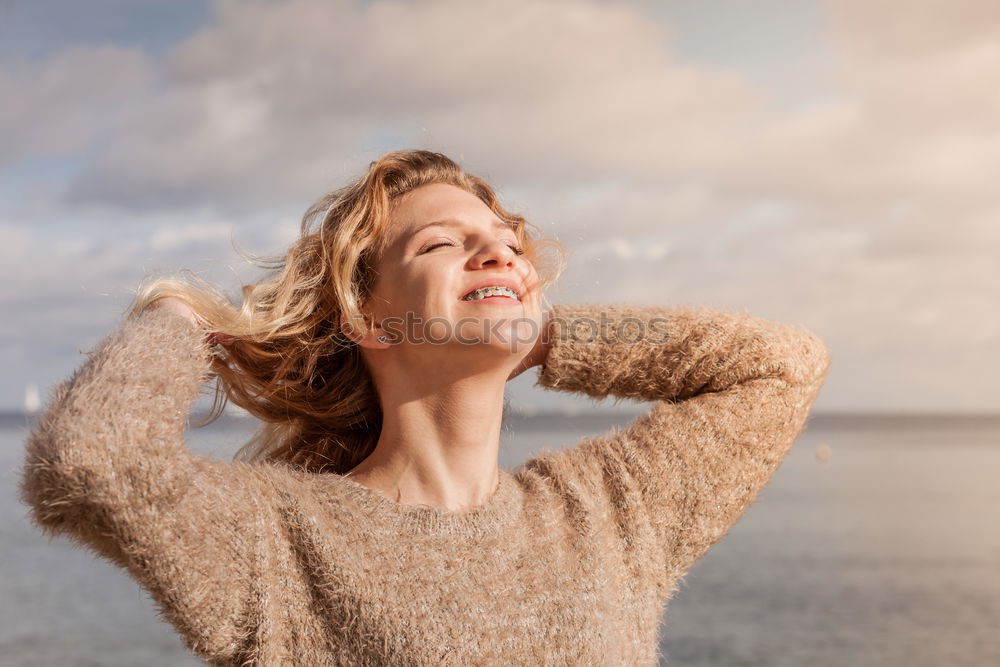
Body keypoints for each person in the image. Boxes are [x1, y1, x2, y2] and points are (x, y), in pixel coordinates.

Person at [19, 149, 831, 666]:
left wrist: (542, 329)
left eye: (509, 241)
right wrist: (180, 318)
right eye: (442, 242)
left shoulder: (611, 512)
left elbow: (782, 366)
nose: (502, 249)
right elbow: (93, 462)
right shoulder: (282, 543)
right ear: (368, 317)